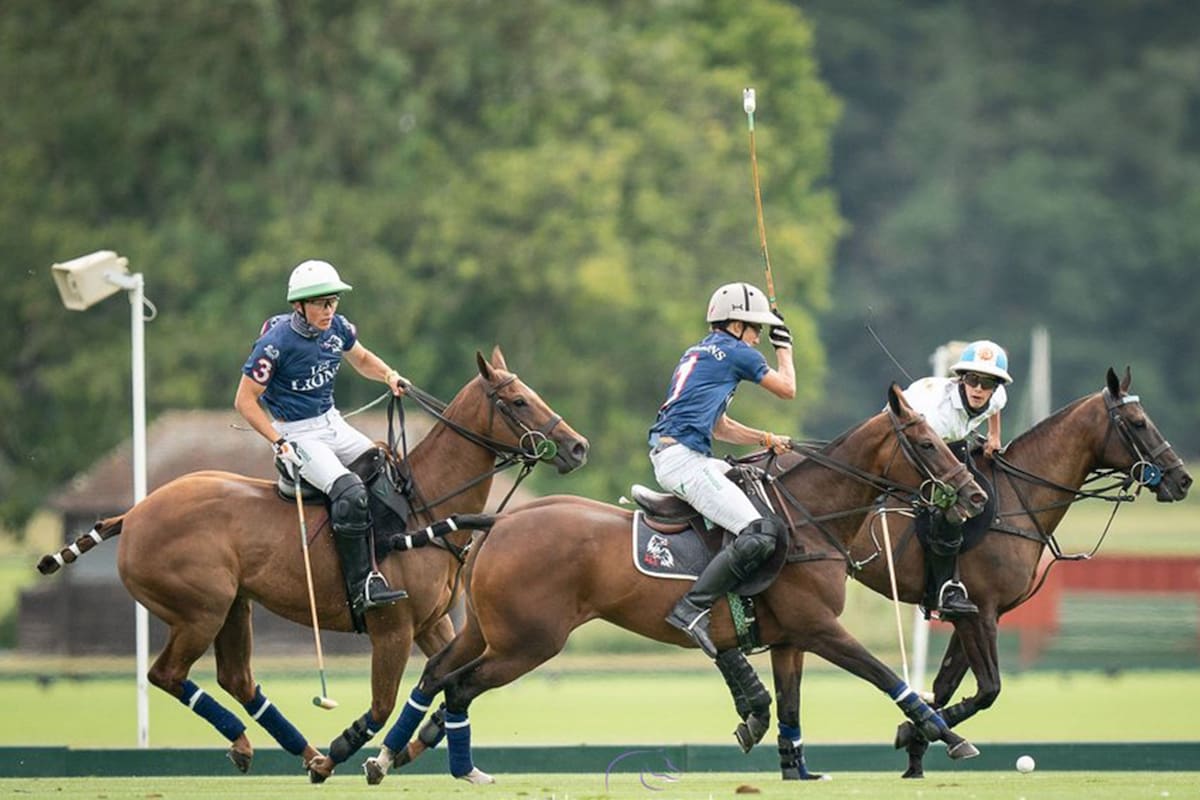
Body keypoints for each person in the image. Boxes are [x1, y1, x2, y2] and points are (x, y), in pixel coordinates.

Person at [234, 259, 410, 614]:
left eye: (333, 301)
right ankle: (362, 586)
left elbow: (360, 359)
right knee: (349, 491)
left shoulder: (338, 328)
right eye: (321, 303)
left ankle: (390, 556)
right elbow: (244, 401)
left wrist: (389, 375)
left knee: (386, 469)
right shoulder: (275, 344)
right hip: (296, 432)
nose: (329, 310)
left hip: (332, 423)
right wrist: (277, 441)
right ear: (299, 305)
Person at [650, 281, 796, 658]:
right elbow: (787, 389)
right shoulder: (735, 352)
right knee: (761, 533)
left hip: (676, 454)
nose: (759, 338)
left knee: (756, 481)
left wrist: (764, 438)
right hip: (684, 460)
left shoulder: (698, 351)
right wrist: (785, 348)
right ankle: (692, 608)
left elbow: (719, 427)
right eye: (757, 329)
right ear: (736, 325)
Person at [902, 339, 1012, 618]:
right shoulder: (938, 412)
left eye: (987, 383)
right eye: (973, 379)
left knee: (981, 495)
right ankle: (943, 590)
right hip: (909, 442)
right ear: (961, 378)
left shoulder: (996, 397)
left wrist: (995, 436)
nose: (978, 388)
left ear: (996, 387)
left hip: (949, 445)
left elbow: (995, 407)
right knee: (948, 505)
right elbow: (919, 447)